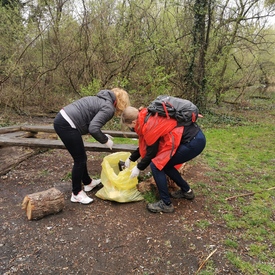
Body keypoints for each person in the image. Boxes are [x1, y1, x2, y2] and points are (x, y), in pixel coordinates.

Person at [121, 103, 206, 213]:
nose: (131, 129)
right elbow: (148, 144)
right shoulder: (147, 116)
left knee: (156, 165)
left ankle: (166, 203)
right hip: (195, 138)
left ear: (133, 122)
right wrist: (131, 158)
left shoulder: (149, 125)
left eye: (130, 127)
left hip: (192, 142)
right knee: (166, 165)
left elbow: (151, 152)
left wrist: (139, 167)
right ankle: (187, 191)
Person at [54, 88, 130, 204]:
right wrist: (105, 140)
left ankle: (88, 183)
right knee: (80, 159)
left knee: (81, 156)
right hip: (66, 124)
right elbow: (93, 128)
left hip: (63, 120)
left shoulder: (101, 100)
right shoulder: (108, 108)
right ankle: (76, 193)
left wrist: (102, 135)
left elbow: (89, 120)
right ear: (121, 102)